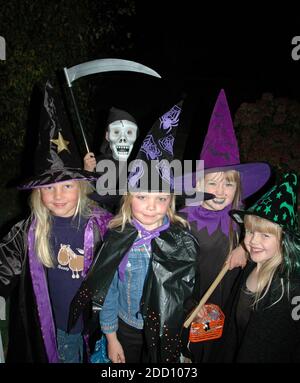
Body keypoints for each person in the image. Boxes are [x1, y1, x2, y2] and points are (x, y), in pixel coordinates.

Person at [69, 101, 213, 363]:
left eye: (161, 199)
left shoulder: (181, 240)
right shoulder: (117, 239)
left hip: (166, 330)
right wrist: (111, 337)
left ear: (171, 202)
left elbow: (188, 287)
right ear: (127, 198)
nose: (151, 206)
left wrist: (195, 307)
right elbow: (109, 292)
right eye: (142, 196)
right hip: (128, 328)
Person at [0, 81, 112, 363]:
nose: (58, 195)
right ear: (38, 192)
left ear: (82, 187)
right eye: (48, 188)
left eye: (67, 186)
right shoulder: (29, 231)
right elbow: (3, 266)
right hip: (54, 331)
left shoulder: (100, 225)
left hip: (93, 328)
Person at [178, 89, 271, 362]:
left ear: (237, 188)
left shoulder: (243, 220)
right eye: (212, 182)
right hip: (193, 307)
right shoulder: (183, 221)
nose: (220, 191)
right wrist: (189, 307)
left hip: (227, 306)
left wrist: (245, 247)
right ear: (197, 185)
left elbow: (268, 247)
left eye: (228, 183)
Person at [209, 171, 300, 362]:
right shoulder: (252, 265)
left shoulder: (288, 288)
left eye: (265, 235)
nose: (253, 242)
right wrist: (242, 247)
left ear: (284, 240)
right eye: (250, 232)